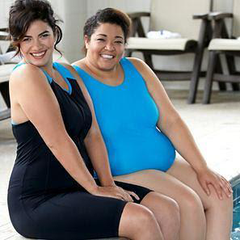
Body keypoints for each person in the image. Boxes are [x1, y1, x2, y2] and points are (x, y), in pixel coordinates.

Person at [7, 1, 181, 240]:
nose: (36, 46)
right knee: (142, 219)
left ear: (55, 34)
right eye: (26, 39)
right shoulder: (26, 75)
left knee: (167, 208)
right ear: (17, 42)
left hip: (76, 186)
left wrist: (109, 184)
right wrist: (95, 189)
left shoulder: (68, 72)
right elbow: (58, 141)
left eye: (43, 35)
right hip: (39, 198)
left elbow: (93, 134)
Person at [72, 8, 233, 240]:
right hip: (123, 169)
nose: (110, 48)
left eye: (118, 41)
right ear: (87, 40)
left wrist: (202, 168)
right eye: (101, 39)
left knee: (220, 194)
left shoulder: (137, 67)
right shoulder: (74, 76)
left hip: (163, 162)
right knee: (189, 202)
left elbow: (171, 120)